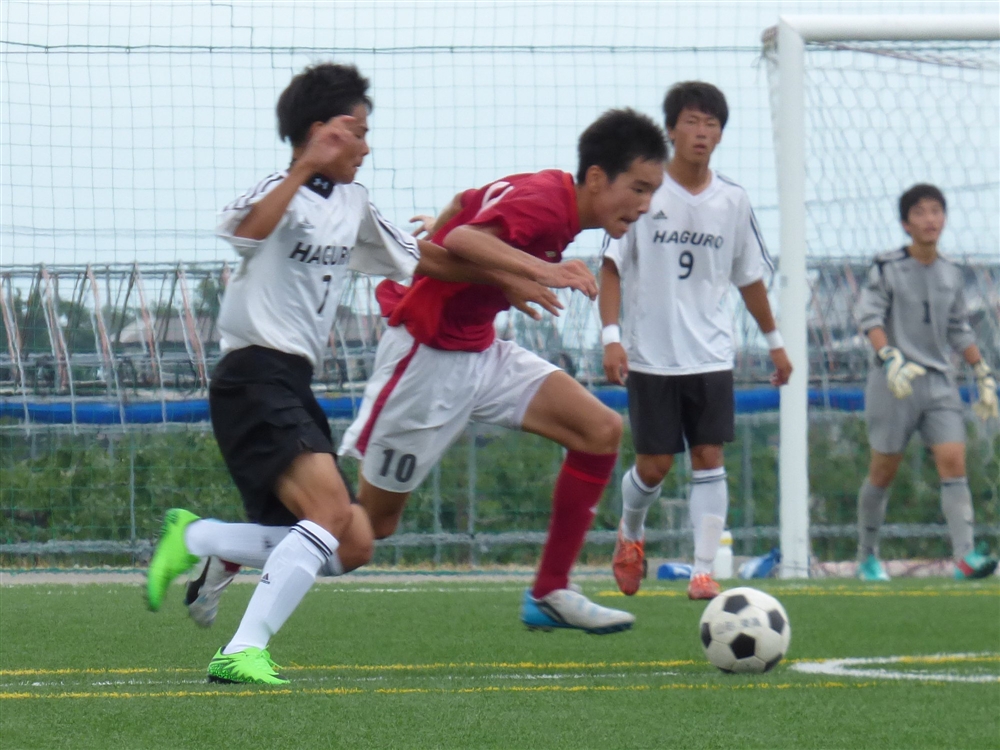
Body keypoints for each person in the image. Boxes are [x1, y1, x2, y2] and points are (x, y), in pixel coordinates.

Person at [144, 62, 583, 686]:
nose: (366, 147)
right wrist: (302, 167)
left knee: (353, 542)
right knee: (328, 511)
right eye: (357, 131)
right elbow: (243, 233)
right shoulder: (279, 191)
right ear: (319, 131)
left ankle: (202, 540)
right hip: (252, 376)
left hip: (292, 382)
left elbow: (426, 259)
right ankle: (241, 649)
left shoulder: (353, 203)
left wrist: (520, 275)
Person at [336, 107, 668, 635]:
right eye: (639, 188)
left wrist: (474, 252)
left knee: (600, 430)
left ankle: (549, 591)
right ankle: (233, 548)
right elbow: (466, 239)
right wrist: (541, 270)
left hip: (483, 351)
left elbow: (463, 204)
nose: (646, 204)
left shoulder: (554, 199)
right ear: (597, 178)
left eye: (653, 192)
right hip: (428, 357)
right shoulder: (547, 203)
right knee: (370, 528)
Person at [599, 82, 792, 601]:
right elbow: (611, 267)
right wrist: (611, 337)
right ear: (670, 129)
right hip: (652, 354)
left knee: (709, 455)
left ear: (721, 134)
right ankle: (631, 532)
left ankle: (703, 571)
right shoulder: (645, 193)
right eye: (691, 121)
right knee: (655, 466)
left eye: (711, 124)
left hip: (710, 353)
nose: (701, 132)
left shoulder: (733, 200)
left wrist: (775, 341)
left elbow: (749, 277)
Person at [853, 183, 998, 582]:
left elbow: (958, 328)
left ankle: (964, 557)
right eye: (920, 212)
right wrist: (889, 356)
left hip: (938, 381)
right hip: (894, 381)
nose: (930, 219)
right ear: (905, 223)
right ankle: (867, 556)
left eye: (936, 211)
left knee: (953, 461)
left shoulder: (952, 272)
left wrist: (981, 370)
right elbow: (870, 318)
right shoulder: (886, 267)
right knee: (883, 470)